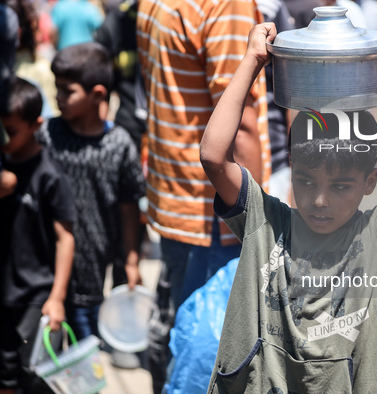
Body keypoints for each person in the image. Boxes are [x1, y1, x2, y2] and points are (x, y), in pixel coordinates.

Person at [201, 20, 377, 393]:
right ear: (291, 171)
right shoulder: (266, 222)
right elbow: (213, 156)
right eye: (305, 181)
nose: (320, 200)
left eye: (340, 186)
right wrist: (253, 61)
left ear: (370, 181)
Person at [136, 0, 271, 391]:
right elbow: (240, 121)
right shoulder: (226, 6)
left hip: (175, 199)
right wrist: (258, 226)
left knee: (182, 337)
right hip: (217, 216)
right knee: (209, 358)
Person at [36, 42, 145, 341]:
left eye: (66, 91)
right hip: (43, 266)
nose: (58, 98)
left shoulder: (119, 144)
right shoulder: (47, 135)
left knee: (83, 351)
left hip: (92, 271)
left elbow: (129, 206)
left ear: (97, 94)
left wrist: (132, 261)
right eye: (56, 88)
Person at [0, 76, 76, 394]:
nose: (5, 139)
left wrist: (57, 298)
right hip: (4, 293)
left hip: (36, 296)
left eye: (12, 132)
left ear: (36, 124)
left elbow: (66, 238)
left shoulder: (49, 176)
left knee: (33, 375)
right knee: (4, 373)